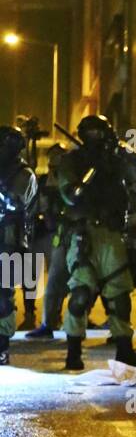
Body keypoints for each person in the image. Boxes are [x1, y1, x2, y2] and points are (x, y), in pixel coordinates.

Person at [57, 114, 136, 372]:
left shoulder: (116, 159)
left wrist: (123, 155)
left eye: (102, 133)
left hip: (112, 234)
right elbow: (71, 195)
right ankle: (73, 352)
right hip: (84, 233)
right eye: (94, 134)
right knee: (80, 294)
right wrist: (92, 170)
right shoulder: (73, 161)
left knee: (120, 295)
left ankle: (124, 351)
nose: (98, 139)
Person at [0, 125, 37, 366]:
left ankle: (2, 346)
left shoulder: (24, 175)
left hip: (10, 241)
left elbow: (16, 203)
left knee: (3, 296)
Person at [25, 143, 67, 339]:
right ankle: (30, 314)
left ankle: (55, 317)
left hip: (61, 234)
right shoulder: (41, 181)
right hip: (41, 233)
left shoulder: (68, 181)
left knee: (58, 279)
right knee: (30, 275)